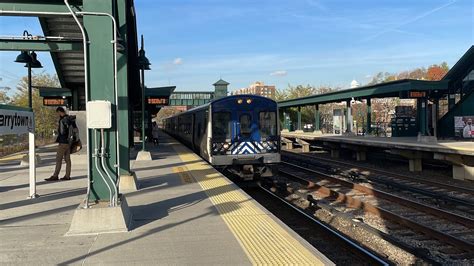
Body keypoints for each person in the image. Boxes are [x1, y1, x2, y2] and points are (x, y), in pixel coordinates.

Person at [45, 107, 72, 181]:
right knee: (68, 160)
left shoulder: (62, 120)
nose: (57, 114)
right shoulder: (70, 119)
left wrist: (59, 137)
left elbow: (62, 132)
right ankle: (67, 175)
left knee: (58, 159)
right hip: (69, 142)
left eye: (57, 113)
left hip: (63, 142)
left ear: (60, 112)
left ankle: (55, 175)